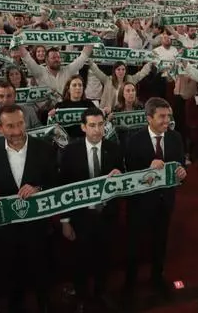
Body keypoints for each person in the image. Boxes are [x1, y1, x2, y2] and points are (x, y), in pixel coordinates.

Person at [0, 104, 57, 313]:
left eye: (20, 124)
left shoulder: (44, 148)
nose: (16, 131)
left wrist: (38, 188)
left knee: (42, 273)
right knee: (11, 278)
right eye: (10, 126)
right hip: (6, 230)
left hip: (37, 228)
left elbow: (56, 183)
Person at [123, 97, 187, 302]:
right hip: (141, 203)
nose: (167, 120)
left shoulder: (176, 138)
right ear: (149, 118)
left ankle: (156, 278)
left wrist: (182, 173)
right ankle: (130, 281)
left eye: (168, 116)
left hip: (165, 201)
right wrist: (147, 169)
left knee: (161, 241)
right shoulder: (134, 140)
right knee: (134, 243)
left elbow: (181, 164)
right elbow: (128, 173)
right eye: (162, 116)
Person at [59, 108, 123, 313]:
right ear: (83, 127)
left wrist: (120, 176)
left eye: (101, 124)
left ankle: (101, 292)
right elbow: (63, 187)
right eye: (92, 125)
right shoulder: (70, 151)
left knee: (104, 257)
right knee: (80, 259)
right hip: (81, 217)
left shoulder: (114, 149)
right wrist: (65, 221)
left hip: (106, 215)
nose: (97, 130)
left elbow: (125, 180)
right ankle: (81, 296)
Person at [20, 45, 93, 95]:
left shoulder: (67, 70)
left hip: (64, 107)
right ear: (46, 60)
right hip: (45, 112)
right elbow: (27, 59)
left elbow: (83, 57)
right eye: (53, 58)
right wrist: (18, 41)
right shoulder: (40, 71)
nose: (56, 60)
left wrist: (92, 39)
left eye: (58, 57)